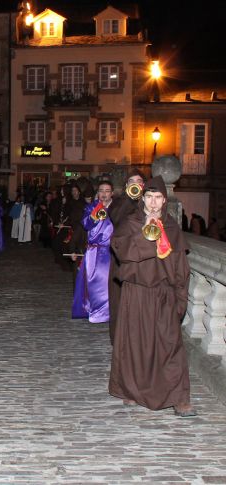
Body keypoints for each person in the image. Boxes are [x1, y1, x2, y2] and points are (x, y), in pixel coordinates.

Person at [109, 176, 195, 417]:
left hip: (164, 293)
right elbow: (121, 251)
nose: (154, 203)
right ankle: (132, 390)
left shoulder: (172, 227)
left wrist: (180, 296)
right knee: (135, 343)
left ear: (164, 200)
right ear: (142, 199)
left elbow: (181, 266)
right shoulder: (131, 223)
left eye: (158, 198)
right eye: (149, 197)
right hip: (137, 292)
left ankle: (179, 397)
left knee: (170, 345)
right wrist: (147, 231)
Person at [107, 169, 145, 344]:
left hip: (142, 259)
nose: (136, 184)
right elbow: (115, 218)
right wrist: (130, 198)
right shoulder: (119, 202)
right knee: (119, 299)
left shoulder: (149, 201)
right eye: (132, 181)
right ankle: (119, 338)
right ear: (126, 185)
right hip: (121, 259)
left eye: (139, 181)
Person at [72, 180, 113, 324]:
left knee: (107, 282)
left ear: (112, 193)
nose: (104, 193)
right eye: (101, 190)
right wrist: (96, 212)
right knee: (92, 282)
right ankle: (93, 310)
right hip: (94, 251)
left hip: (110, 251)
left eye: (107, 191)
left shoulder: (117, 208)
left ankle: (107, 312)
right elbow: (85, 224)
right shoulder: (91, 207)